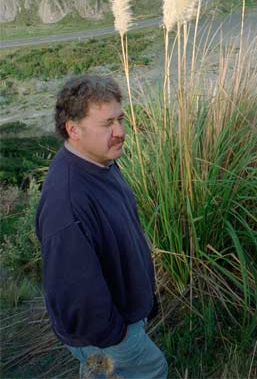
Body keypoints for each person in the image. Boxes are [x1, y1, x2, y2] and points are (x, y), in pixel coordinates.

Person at [35, 75, 168, 378]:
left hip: (114, 321)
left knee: (100, 374)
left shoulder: (101, 162)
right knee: (153, 369)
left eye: (120, 119)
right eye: (107, 124)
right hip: (104, 333)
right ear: (73, 129)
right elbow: (75, 290)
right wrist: (116, 336)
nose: (120, 132)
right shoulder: (66, 201)